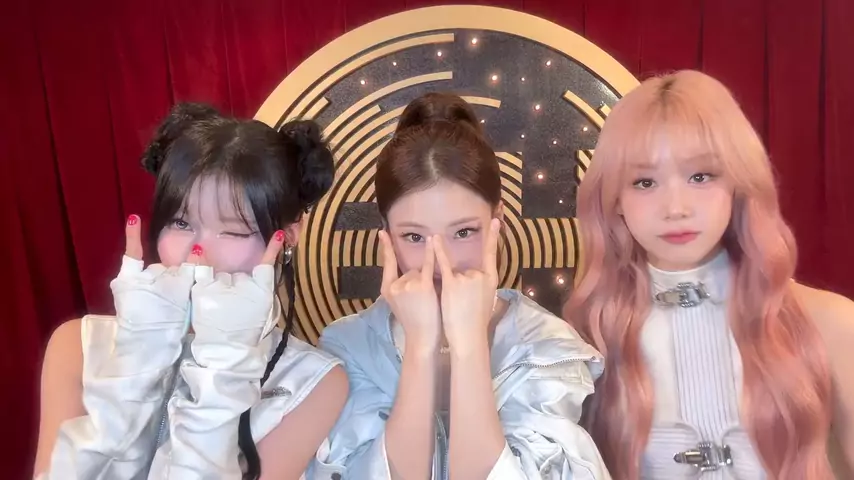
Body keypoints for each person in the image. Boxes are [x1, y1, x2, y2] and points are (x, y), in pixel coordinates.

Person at [564, 70, 854, 479]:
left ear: (739, 182)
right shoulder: (584, 340)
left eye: (701, 176)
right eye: (644, 182)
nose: (676, 208)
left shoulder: (830, 323)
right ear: (614, 200)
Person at [34, 103, 349, 479]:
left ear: (287, 237)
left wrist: (223, 370)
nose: (198, 254)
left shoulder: (314, 383)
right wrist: (134, 366)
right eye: (181, 223)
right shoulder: (78, 346)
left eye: (233, 230)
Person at [308, 92, 610, 479]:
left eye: (463, 232)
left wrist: (467, 342)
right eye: (414, 237)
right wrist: (421, 346)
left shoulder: (546, 346)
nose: (442, 263)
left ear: (498, 220)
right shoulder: (349, 346)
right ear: (386, 236)